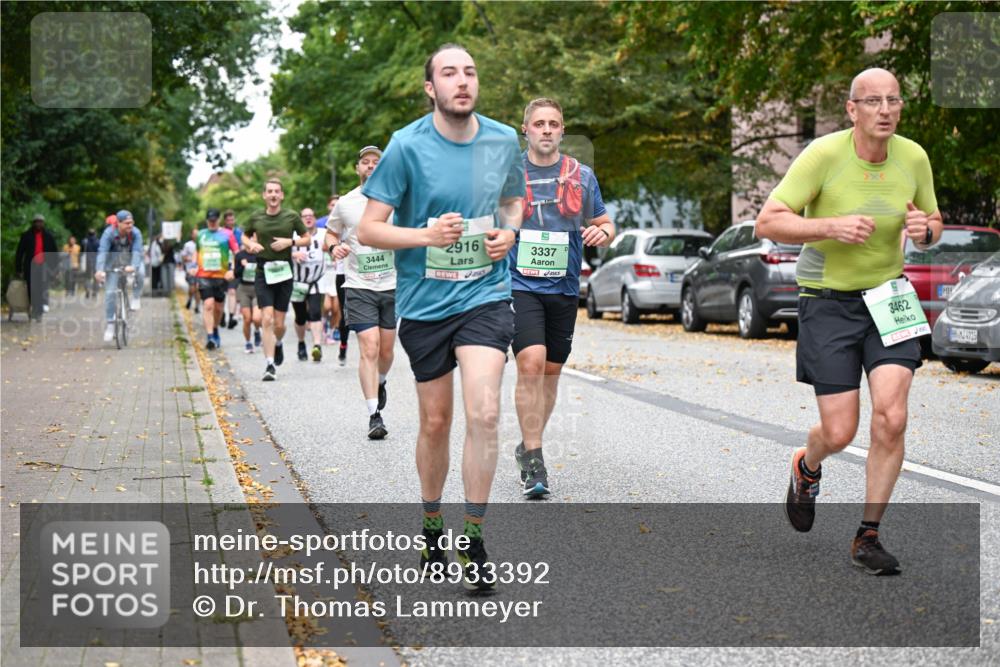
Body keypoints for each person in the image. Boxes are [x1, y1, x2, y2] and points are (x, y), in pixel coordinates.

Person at [756, 67, 942, 576]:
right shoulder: (823, 156)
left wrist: (925, 231)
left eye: (893, 101)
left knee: (892, 417)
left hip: (890, 298)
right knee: (840, 430)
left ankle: (868, 536)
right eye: (873, 101)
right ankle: (807, 464)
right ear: (852, 108)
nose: (885, 110)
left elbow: (932, 222)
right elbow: (768, 221)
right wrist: (828, 226)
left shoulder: (913, 156)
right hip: (828, 301)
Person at [359, 44, 525, 592]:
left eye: (470, 72)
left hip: (485, 294)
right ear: (431, 87)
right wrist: (426, 236)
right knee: (435, 422)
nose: (462, 81)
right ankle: (432, 522)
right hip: (426, 304)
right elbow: (369, 230)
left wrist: (510, 233)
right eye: (449, 73)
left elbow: (513, 201)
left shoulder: (503, 139)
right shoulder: (406, 147)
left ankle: (473, 538)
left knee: (485, 412)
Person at [510, 98, 615, 498]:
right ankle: (534, 460)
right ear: (526, 130)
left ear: (562, 130)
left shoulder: (581, 175)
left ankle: (527, 443)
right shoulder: (507, 175)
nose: (547, 130)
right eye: (539, 123)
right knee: (531, 361)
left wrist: (602, 233)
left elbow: (604, 223)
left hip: (565, 286)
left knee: (550, 372)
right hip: (520, 284)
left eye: (554, 123)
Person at [328, 146, 397, 440]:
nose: (370, 166)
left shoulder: (398, 199)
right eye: (365, 162)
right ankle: (374, 415)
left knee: (386, 350)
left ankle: (380, 381)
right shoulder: (346, 203)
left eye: (376, 162)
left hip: (393, 284)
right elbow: (330, 232)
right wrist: (334, 246)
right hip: (358, 285)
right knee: (368, 347)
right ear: (358, 169)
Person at [242, 178, 310, 382]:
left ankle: (278, 343)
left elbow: (307, 238)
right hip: (263, 271)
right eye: (269, 191)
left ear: (281, 195)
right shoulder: (256, 217)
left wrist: (290, 242)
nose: (273, 195)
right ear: (264, 195)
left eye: (276, 191)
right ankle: (270, 364)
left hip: (284, 272)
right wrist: (250, 245)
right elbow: (244, 236)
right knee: (267, 318)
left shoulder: (291, 216)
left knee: (279, 324)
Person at [291, 207, 334, 362]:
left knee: (316, 313)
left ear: (315, 218)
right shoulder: (294, 235)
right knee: (300, 317)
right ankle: (301, 343)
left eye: (311, 216)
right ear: (300, 220)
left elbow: (332, 245)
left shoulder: (323, 234)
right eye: (304, 216)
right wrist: (293, 253)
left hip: (317, 279)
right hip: (298, 281)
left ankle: (317, 346)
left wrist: (333, 253)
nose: (308, 218)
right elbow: (281, 251)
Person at [95, 210, 144, 342]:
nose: (130, 225)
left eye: (131, 222)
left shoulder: (136, 233)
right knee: (110, 293)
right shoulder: (109, 233)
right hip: (114, 263)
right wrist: (99, 270)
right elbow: (102, 251)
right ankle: (110, 325)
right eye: (127, 223)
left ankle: (136, 296)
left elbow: (137, 251)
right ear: (118, 223)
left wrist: (133, 266)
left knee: (141, 272)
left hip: (131, 261)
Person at [194, 209, 239, 349]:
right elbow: (197, 252)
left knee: (218, 309)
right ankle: (210, 337)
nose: (212, 223)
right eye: (209, 221)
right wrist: (194, 265)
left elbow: (237, 253)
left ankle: (215, 328)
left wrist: (233, 270)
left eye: (214, 221)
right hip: (204, 276)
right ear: (207, 220)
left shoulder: (227, 234)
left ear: (219, 220)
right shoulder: (201, 234)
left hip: (221, 277)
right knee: (208, 305)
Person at [14, 213, 58, 320]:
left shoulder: (49, 236)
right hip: (30, 267)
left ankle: (38, 312)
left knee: (42, 288)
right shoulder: (26, 236)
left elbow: (54, 254)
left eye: (41, 222)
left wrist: (55, 269)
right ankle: (34, 308)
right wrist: (18, 268)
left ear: (43, 223)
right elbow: (20, 253)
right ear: (33, 223)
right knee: (31, 289)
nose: (39, 224)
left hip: (44, 267)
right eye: (37, 222)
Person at [317, 195, 342, 346]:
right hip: (325, 270)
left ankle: (333, 330)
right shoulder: (321, 223)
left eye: (337, 204)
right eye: (332, 204)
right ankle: (324, 321)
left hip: (339, 269)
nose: (335, 207)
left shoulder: (346, 221)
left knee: (336, 306)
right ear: (328, 206)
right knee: (326, 306)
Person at [234, 246, 262, 353]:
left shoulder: (259, 254)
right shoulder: (240, 255)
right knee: (247, 318)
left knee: (256, 318)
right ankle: (248, 342)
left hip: (257, 289)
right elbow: (236, 274)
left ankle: (256, 330)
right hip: (243, 289)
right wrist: (242, 266)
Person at [223, 209, 243, 329]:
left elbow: (241, 248)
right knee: (221, 293)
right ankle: (221, 315)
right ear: (225, 221)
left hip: (234, 265)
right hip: (222, 266)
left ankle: (231, 317)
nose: (231, 221)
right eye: (228, 220)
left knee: (232, 291)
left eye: (232, 219)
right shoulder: (220, 232)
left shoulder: (238, 233)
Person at [181, 228, 201, 313]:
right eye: (194, 234)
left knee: (198, 288)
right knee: (192, 287)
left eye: (198, 234)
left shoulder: (203, 244)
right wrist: (191, 259)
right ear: (192, 235)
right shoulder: (188, 245)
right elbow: (183, 257)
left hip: (200, 270)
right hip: (190, 269)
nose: (196, 236)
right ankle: (190, 298)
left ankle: (197, 306)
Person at [82, 228, 100, 298]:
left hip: (87, 261)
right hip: (96, 261)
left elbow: (82, 250)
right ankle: (94, 292)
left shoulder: (85, 241)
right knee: (96, 277)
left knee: (87, 277)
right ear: (95, 233)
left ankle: (87, 290)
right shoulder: (98, 242)